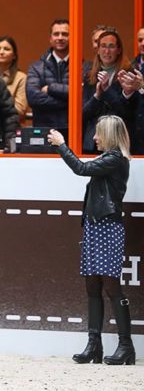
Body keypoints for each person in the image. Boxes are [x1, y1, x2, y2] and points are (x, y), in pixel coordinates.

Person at [47, 116, 135, 366]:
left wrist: (62, 145)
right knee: (93, 287)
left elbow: (81, 169)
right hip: (96, 228)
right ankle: (94, 344)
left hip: (107, 227)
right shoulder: (110, 159)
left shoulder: (115, 159)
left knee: (111, 286)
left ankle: (125, 345)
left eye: (98, 133)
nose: (94, 138)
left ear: (109, 134)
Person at [82, 30, 133, 154]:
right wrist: (97, 96)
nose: (106, 51)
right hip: (93, 142)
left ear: (119, 50)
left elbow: (127, 112)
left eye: (111, 46)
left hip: (118, 141)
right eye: (103, 46)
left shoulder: (128, 73)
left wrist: (106, 90)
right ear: (98, 50)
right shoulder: (89, 75)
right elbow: (84, 114)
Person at [26, 19, 75, 130]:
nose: (60, 38)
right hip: (45, 132)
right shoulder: (36, 67)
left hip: (73, 132)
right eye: (56, 34)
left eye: (65, 34)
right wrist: (69, 102)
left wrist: (51, 88)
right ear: (50, 38)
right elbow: (33, 98)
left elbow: (82, 96)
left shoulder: (83, 67)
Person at [0, 35, 30, 127]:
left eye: (6, 49)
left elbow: (19, 110)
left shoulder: (21, 77)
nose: (1, 52)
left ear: (14, 56)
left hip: (11, 128)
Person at [120, 27, 144, 154]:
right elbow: (125, 106)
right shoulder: (130, 67)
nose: (143, 43)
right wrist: (126, 93)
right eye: (140, 40)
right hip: (134, 135)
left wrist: (142, 87)